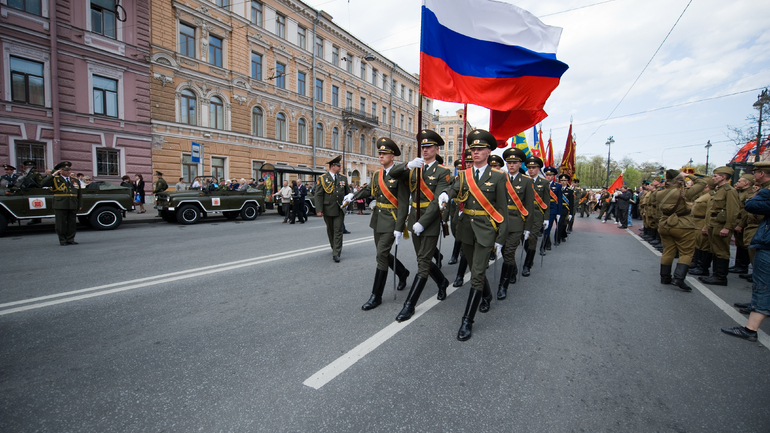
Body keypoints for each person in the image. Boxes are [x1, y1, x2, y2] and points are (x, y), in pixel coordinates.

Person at [439, 129, 508, 341]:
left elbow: (503, 209)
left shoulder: (498, 177)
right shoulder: (464, 175)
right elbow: (454, 189)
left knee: (477, 273)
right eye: (473, 149)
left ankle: (467, 321)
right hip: (466, 229)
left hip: (486, 230)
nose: (475, 152)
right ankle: (486, 295)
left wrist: (500, 239)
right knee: (473, 267)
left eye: (480, 149)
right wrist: (445, 194)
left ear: (488, 151)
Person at [386, 130, 451, 321]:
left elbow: (437, 201)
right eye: (423, 147)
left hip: (428, 222)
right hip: (413, 219)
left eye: (429, 147)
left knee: (423, 264)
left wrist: (423, 223)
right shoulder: (414, 168)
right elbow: (392, 173)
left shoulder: (443, 172)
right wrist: (407, 165)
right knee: (424, 259)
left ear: (436, 149)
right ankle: (442, 281)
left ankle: (409, 305)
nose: (425, 150)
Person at [348, 138, 411, 311]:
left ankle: (376, 296)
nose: (381, 156)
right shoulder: (377, 175)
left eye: (384, 153)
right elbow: (369, 190)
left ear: (392, 156)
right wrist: (352, 196)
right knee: (381, 253)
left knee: (381, 255)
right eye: (380, 153)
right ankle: (403, 272)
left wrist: (400, 227)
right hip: (378, 219)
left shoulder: (401, 174)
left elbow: (404, 203)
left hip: (392, 219)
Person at [721, 161, 770, 341]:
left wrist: (763, 193)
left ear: (762, 174)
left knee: (763, 284)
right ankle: (755, 307)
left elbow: (751, 206)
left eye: (756, 172)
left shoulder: (764, 191)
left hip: (765, 240)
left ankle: (750, 329)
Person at [497, 147, 533, 300]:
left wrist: (528, 228)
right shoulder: (500, 179)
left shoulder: (526, 181)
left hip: (517, 223)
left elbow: (529, 206)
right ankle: (513, 269)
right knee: (505, 253)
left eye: (514, 163)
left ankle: (502, 286)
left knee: (508, 253)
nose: (511, 165)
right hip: (501, 222)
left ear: (520, 164)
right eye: (509, 162)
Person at [699, 166, 740, 286]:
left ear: (723, 177)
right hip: (714, 223)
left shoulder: (729, 191)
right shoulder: (719, 190)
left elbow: (733, 210)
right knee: (715, 250)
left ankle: (720, 277)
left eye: (715, 176)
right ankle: (715, 275)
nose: (713, 178)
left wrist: (728, 227)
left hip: (721, 225)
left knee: (721, 251)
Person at [657, 170, 697, 291]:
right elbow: (702, 182)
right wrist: (688, 175)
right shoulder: (684, 193)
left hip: (665, 225)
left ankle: (665, 277)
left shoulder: (659, 193)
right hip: (683, 225)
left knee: (668, 251)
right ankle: (678, 279)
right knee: (686, 253)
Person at [315, 155, 351, 262]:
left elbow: (347, 193)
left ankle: (336, 252)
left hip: (340, 208)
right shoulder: (322, 178)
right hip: (327, 208)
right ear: (332, 166)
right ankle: (333, 246)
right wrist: (319, 210)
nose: (340, 167)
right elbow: (318, 195)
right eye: (338, 165)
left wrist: (349, 204)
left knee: (338, 230)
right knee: (330, 230)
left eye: (340, 165)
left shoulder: (343, 178)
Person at [41, 161, 82, 246]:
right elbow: (42, 183)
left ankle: (70, 239)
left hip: (72, 204)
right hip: (61, 204)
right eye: (66, 170)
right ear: (60, 171)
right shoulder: (56, 179)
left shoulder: (75, 181)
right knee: (61, 223)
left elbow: (79, 194)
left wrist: (80, 204)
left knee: (72, 223)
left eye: (69, 170)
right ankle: (63, 240)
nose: (68, 171)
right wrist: (52, 175)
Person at [523, 156, 550, 275]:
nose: (531, 170)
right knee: (523, 241)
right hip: (524, 215)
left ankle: (527, 265)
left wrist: (547, 218)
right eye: (529, 167)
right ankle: (530, 256)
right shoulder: (523, 180)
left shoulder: (544, 183)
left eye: (533, 167)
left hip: (537, 216)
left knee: (532, 239)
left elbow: (546, 201)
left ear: (538, 168)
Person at [729, 173, 755, 274]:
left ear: (746, 183)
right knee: (739, 243)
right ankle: (738, 264)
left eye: (740, 181)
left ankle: (743, 266)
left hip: (743, 222)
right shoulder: (739, 192)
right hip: (737, 220)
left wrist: (741, 224)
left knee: (744, 244)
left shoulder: (749, 193)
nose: (737, 183)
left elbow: (745, 211)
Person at [541, 166, 562, 252]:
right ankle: (548, 243)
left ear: (553, 176)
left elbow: (560, 200)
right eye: (546, 175)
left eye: (550, 175)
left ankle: (542, 247)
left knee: (548, 228)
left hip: (552, 209)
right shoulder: (541, 184)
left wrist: (559, 213)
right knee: (542, 228)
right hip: (542, 208)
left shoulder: (557, 186)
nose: (548, 177)